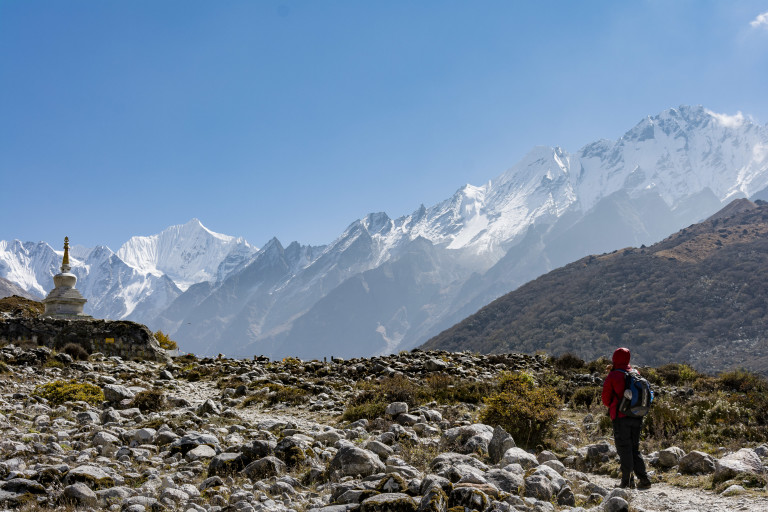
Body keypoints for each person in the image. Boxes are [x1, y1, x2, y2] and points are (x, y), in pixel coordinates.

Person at [601, 347, 652, 489]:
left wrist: (614, 405)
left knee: (624, 448)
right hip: (637, 415)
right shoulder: (636, 373)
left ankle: (627, 481)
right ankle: (644, 479)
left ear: (614, 358)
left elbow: (605, 399)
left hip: (620, 417)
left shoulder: (613, 375)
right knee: (634, 448)